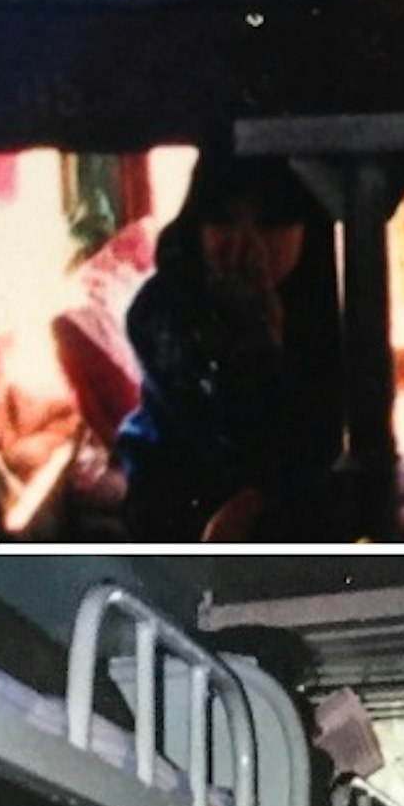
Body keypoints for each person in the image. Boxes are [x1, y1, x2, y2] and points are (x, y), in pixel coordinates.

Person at [113, 153, 348, 540]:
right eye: (223, 219)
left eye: (270, 222)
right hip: (178, 479)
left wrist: (270, 349)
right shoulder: (159, 311)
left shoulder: (329, 305)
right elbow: (208, 441)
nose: (245, 244)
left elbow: (320, 439)